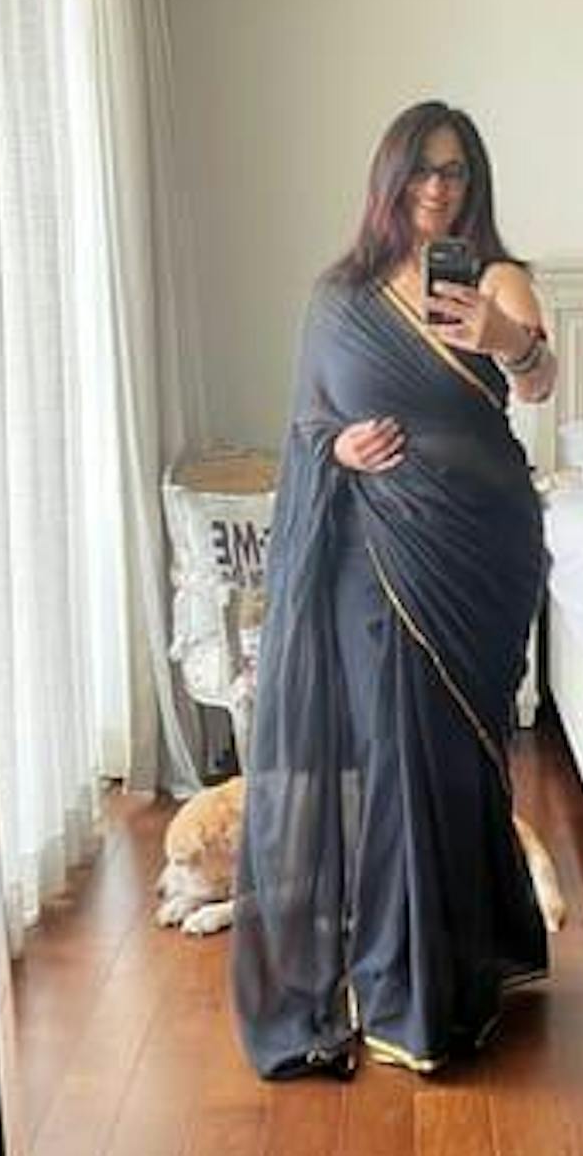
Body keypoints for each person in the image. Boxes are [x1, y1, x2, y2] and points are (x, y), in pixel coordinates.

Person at [231, 99, 557, 1078]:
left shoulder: (497, 276)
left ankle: (460, 966)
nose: (437, 187)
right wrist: (336, 450)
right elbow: (306, 425)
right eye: (421, 168)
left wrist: (507, 337)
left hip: (480, 552)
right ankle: (400, 983)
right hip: (370, 552)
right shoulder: (339, 297)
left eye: (455, 170)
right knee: (392, 754)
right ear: (389, 176)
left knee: (458, 760)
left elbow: (538, 383)